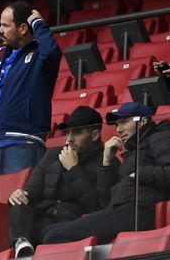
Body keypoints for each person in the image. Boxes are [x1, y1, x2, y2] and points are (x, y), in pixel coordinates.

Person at [41, 102, 170, 245]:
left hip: (139, 210)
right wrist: (106, 161)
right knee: (45, 232)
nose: (118, 129)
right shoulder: (133, 151)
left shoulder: (162, 135)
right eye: (117, 124)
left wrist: (138, 174)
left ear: (143, 121)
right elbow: (105, 202)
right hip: (119, 209)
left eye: (124, 122)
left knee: (53, 236)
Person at [8, 106, 120, 254]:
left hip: (71, 225)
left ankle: (25, 243)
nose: (69, 139)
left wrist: (73, 170)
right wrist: (19, 195)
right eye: (67, 132)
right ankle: (22, 244)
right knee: (19, 202)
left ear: (94, 135)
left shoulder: (107, 161)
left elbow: (98, 207)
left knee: (47, 233)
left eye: (77, 132)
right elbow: (31, 193)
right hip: (42, 219)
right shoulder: (52, 156)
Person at [0, 0, 62, 175]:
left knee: (16, 200)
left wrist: (38, 23)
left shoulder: (39, 56)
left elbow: (52, 52)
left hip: (24, 142)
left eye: (5, 26)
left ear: (23, 28)